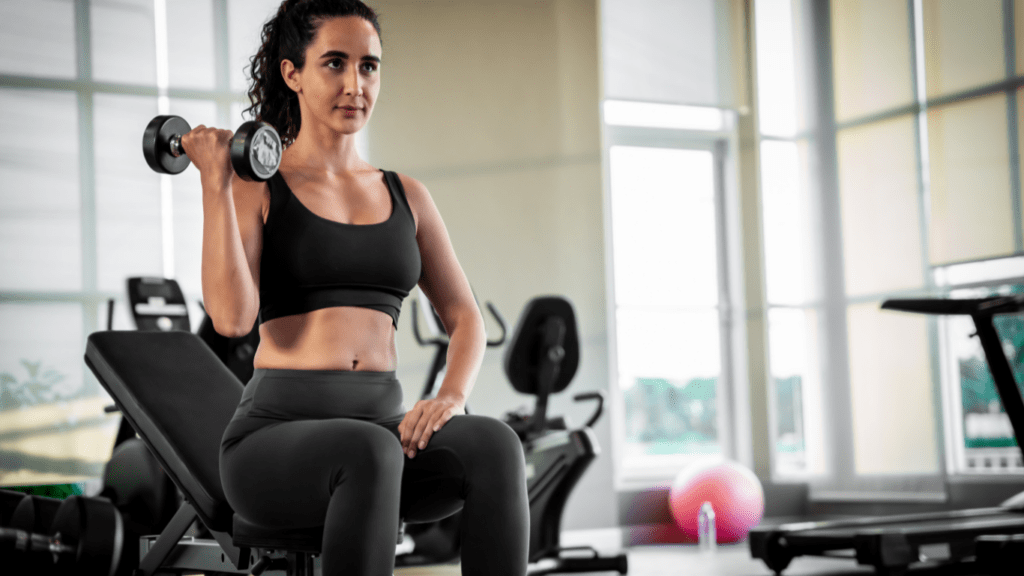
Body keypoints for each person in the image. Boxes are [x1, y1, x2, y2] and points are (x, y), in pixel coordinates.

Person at [182, 1, 529, 574]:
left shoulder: (407, 195)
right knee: (367, 450)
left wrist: (450, 397)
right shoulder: (258, 187)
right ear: (293, 73)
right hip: (275, 442)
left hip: (383, 434)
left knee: (495, 445)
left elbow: (466, 318)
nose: (355, 85)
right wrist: (216, 184)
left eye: (369, 66)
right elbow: (231, 320)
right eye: (334, 64)